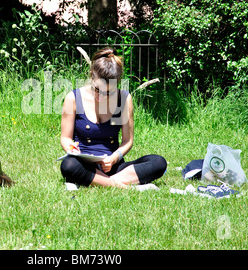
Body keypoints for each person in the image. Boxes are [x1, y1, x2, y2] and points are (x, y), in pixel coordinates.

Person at [59, 47, 167, 189]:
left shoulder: (124, 98)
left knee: (158, 162)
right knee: (68, 165)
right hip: (83, 164)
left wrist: (114, 158)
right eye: (98, 90)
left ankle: (98, 181)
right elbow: (65, 138)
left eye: (109, 92)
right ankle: (122, 186)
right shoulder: (73, 98)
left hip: (113, 166)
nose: (102, 96)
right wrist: (71, 147)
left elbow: (128, 141)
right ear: (92, 75)